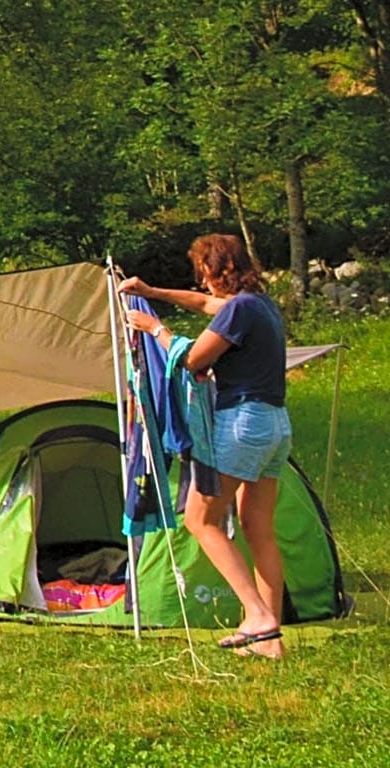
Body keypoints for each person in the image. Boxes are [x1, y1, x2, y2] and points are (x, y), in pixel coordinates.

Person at [122, 234, 294, 658]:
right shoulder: (259, 305)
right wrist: (152, 293)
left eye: (205, 274)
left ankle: (257, 615)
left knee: (200, 519)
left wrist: (155, 329)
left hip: (243, 423)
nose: (203, 284)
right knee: (257, 527)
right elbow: (203, 305)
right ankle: (269, 640)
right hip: (276, 424)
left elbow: (194, 359)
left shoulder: (239, 309)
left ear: (220, 270)